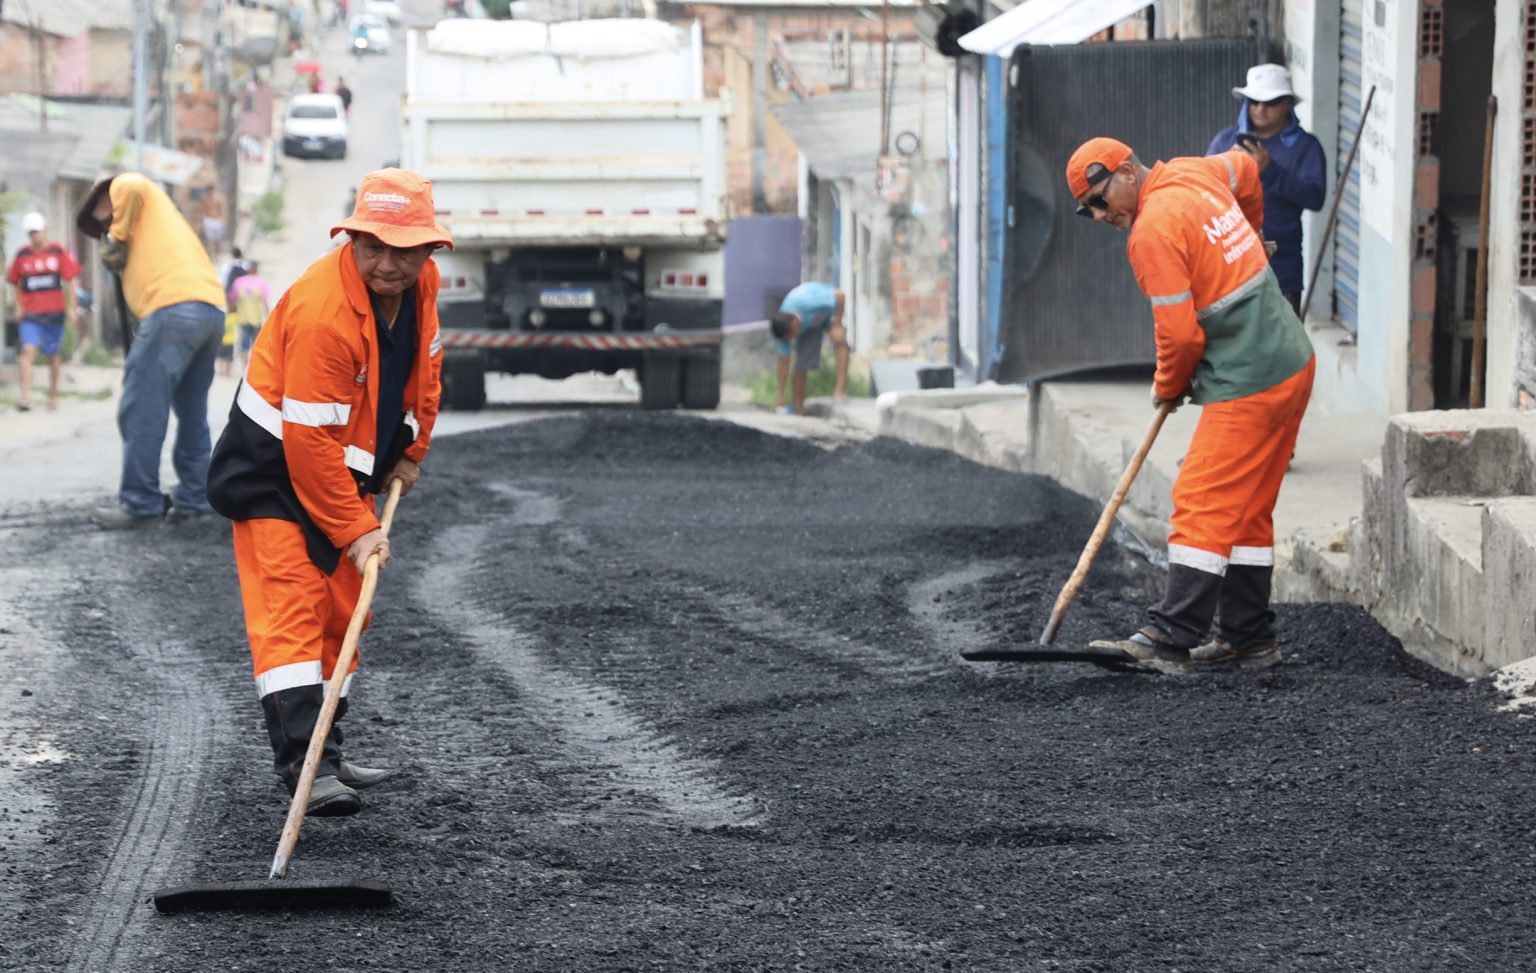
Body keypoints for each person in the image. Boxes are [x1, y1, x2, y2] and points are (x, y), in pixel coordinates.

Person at [206, 168, 451, 816]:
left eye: (404, 249)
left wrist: (410, 454)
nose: (387, 262)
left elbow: (425, 369)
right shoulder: (323, 311)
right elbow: (307, 444)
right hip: (270, 472)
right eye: (373, 245)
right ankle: (303, 773)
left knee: (345, 613)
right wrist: (357, 528)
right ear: (354, 238)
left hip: (342, 471)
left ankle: (327, 753)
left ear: (429, 250)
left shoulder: (422, 285)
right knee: (294, 614)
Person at [1065, 137, 1316, 674]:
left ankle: (1170, 635)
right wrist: (1250, 233)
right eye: (1089, 210)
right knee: (1246, 510)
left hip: (1251, 376)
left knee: (1202, 497)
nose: (1100, 215)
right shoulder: (1193, 171)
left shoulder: (1151, 232)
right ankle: (1248, 638)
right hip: (1292, 360)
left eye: (1102, 200)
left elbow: (1179, 338)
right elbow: (1247, 169)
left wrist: (1168, 384)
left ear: (1128, 171)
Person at [75, 172, 228, 528]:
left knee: (141, 406)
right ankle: (195, 496)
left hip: (174, 309)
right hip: (208, 310)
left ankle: (139, 502)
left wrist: (116, 235)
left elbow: (131, 183)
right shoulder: (157, 228)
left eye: (104, 218)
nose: (104, 227)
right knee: (191, 409)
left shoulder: (127, 188)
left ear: (104, 196)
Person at [1206, 64, 1326, 316]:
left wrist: (1269, 170)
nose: (1261, 108)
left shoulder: (1306, 147)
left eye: (1271, 102)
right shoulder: (1225, 141)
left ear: (1287, 105)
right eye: (1255, 101)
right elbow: (1202, 192)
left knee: (1283, 352)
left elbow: (1315, 197)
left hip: (1281, 269)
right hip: (1228, 268)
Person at [5, 212, 80, 412]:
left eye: (37, 232)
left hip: (54, 313)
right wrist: (19, 306)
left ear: (45, 230)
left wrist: (72, 307)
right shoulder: (22, 255)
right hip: (30, 314)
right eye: (30, 233)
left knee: (52, 355)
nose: (34, 236)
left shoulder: (57, 252)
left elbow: (70, 279)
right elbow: (14, 281)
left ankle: (53, 396)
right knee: (27, 350)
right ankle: (26, 399)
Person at [768, 281, 849, 415]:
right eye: (789, 339)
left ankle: (840, 391)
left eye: (792, 335)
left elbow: (840, 295)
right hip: (810, 325)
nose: (792, 340)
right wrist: (781, 395)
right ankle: (798, 408)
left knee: (840, 341)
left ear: (795, 323)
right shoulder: (782, 328)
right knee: (801, 364)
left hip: (827, 313)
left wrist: (838, 324)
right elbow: (783, 363)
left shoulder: (807, 302)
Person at [228, 261, 272, 371]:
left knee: (243, 345)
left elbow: (232, 301)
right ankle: (254, 368)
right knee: (256, 344)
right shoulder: (261, 282)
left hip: (242, 318)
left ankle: (245, 368)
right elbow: (265, 302)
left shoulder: (238, 282)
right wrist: (269, 318)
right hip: (256, 319)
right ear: (256, 270)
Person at [200, 185, 227, 257]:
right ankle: (210, 255)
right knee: (210, 239)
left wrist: (222, 220)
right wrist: (203, 221)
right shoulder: (205, 199)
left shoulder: (218, 199)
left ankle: (217, 255)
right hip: (208, 220)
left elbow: (222, 210)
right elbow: (203, 210)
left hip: (217, 220)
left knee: (217, 240)